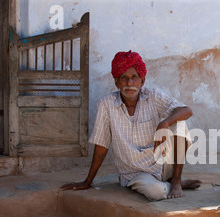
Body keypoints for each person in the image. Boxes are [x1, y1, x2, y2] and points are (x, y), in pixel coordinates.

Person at [61, 51, 200, 200]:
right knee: (156, 192)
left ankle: (176, 180)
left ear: (142, 81)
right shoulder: (106, 104)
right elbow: (101, 144)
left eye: (134, 78)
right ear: (116, 82)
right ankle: (169, 184)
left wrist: (165, 123)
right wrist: (88, 181)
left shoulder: (153, 96)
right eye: (124, 78)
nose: (129, 83)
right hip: (135, 172)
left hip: (162, 165)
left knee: (179, 123)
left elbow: (187, 110)